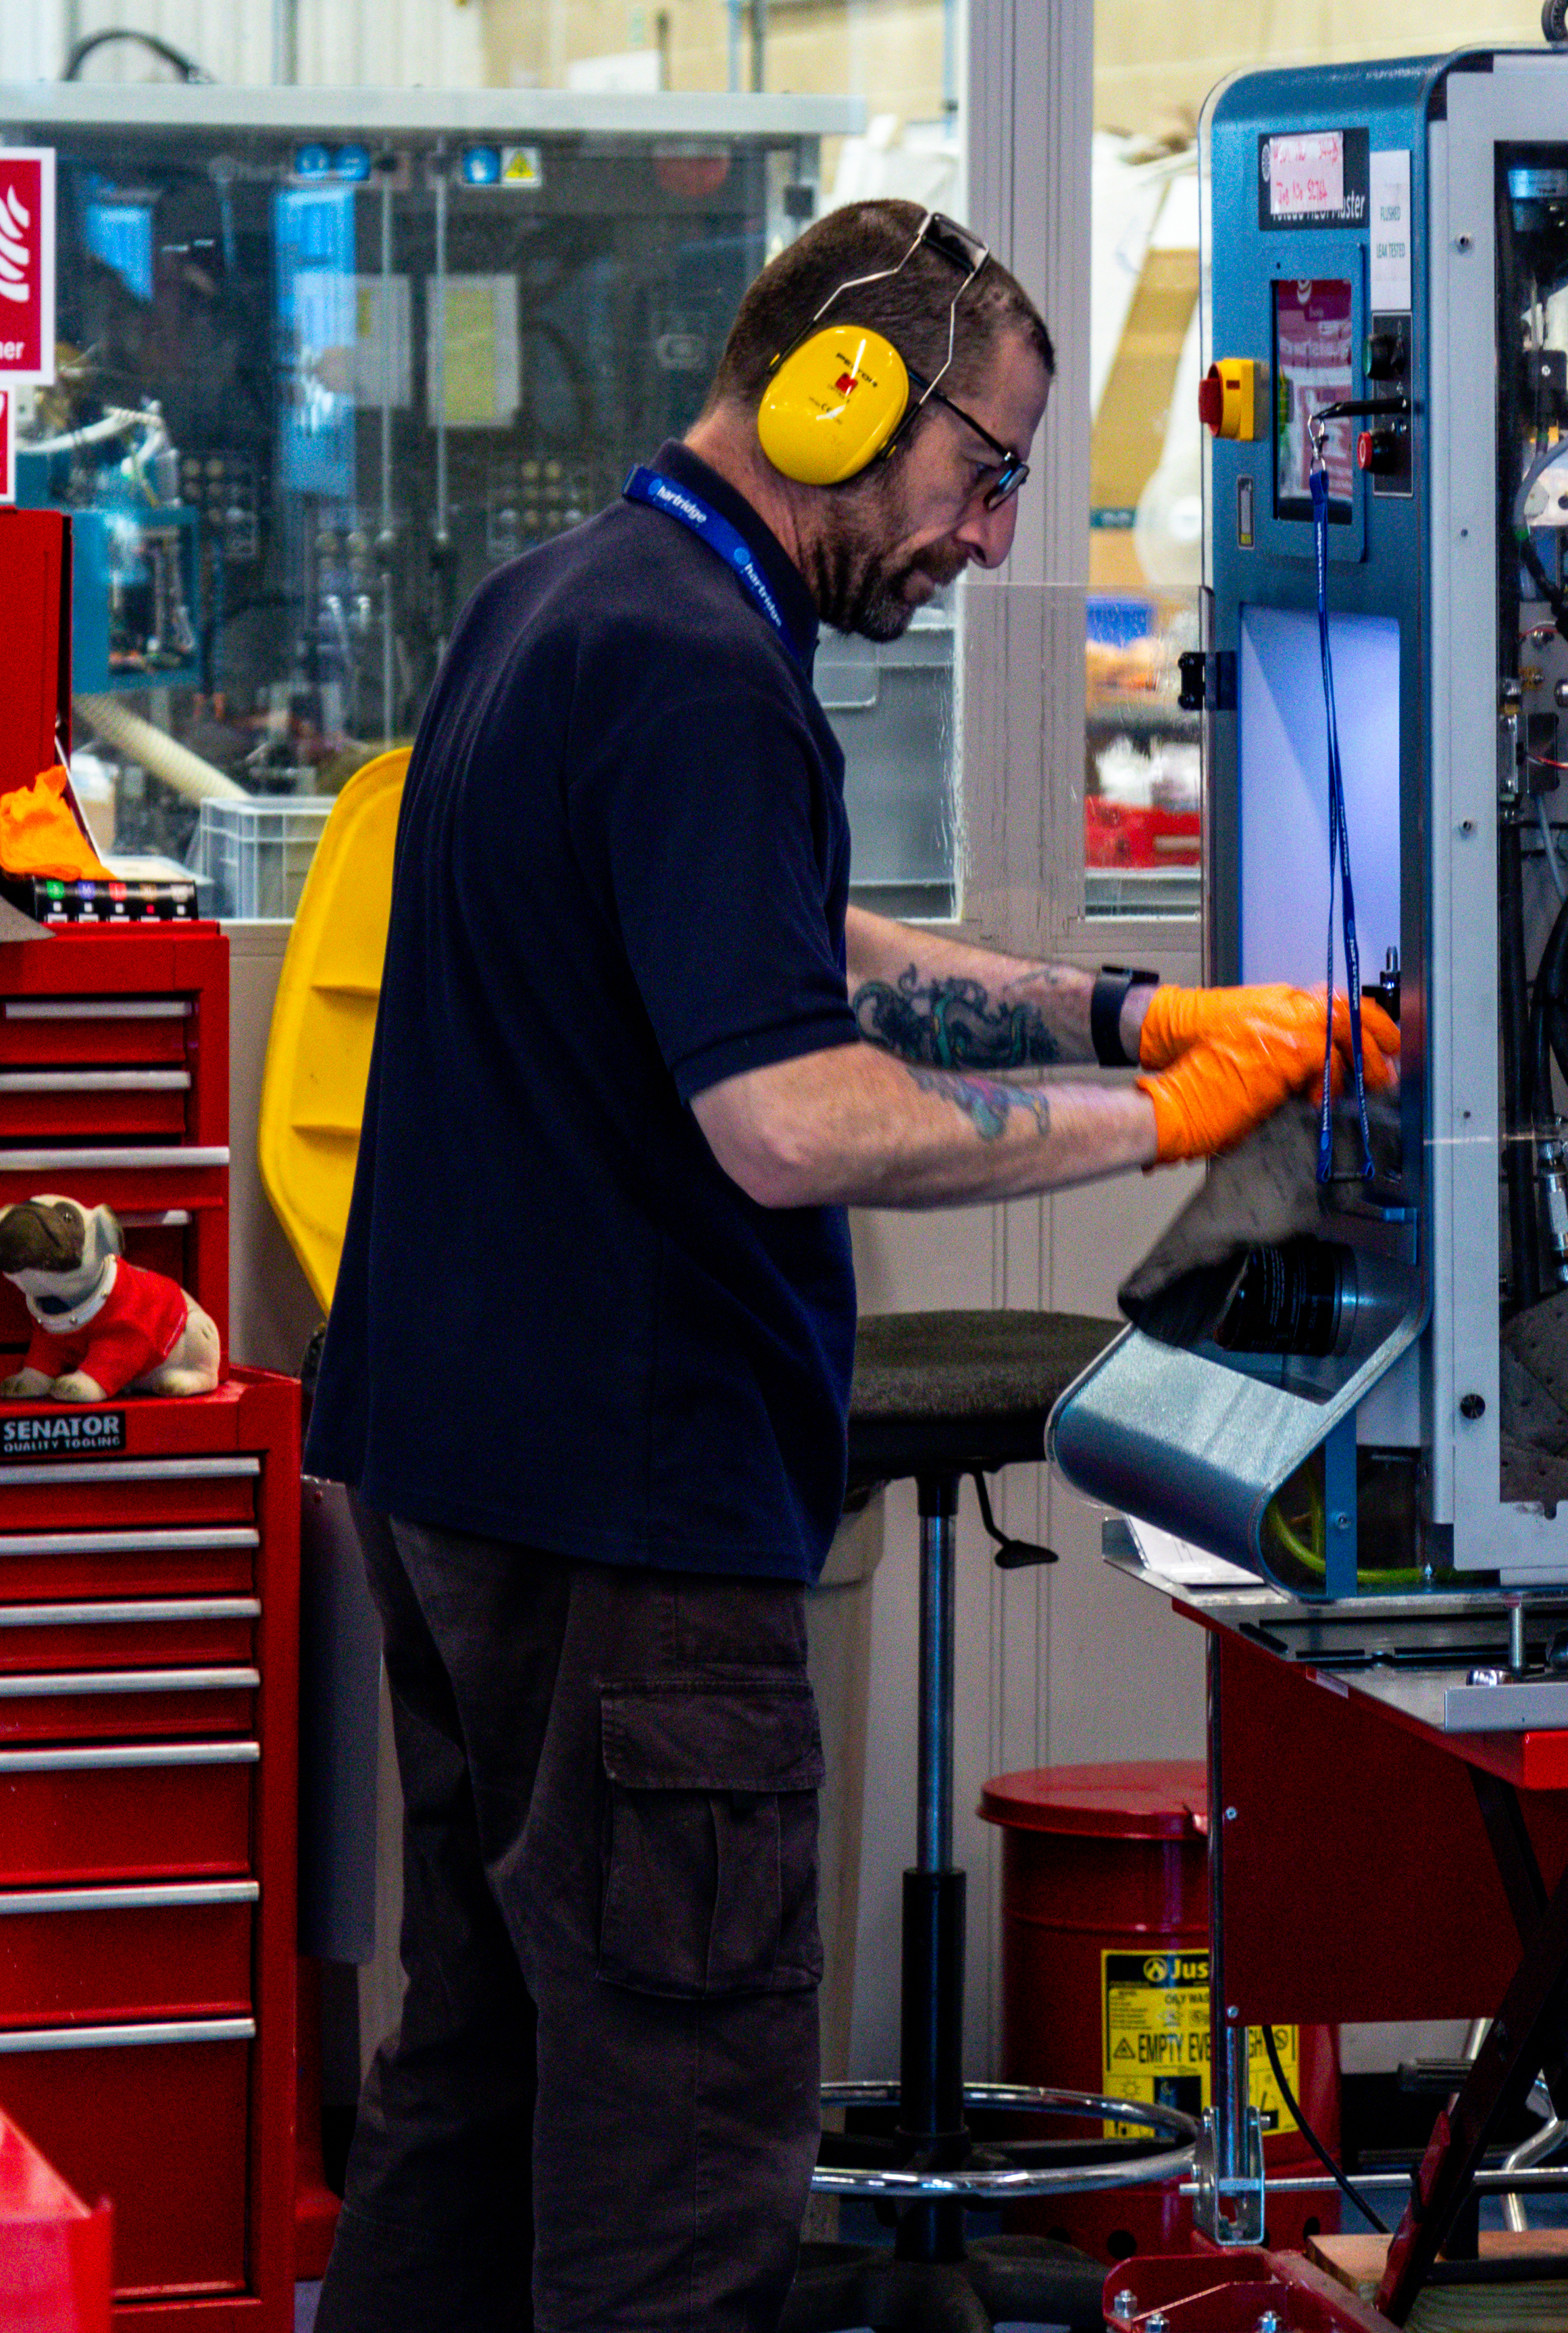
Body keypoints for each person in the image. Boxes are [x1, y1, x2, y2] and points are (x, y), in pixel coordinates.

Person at [306, 201, 1366, 2333]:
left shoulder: (567, 607)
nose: (988, 539)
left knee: (487, 2089)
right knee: (677, 2155)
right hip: (629, 1520)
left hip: (455, 1480)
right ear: (842, 395)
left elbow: (809, 956)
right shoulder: (704, 673)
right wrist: (1162, 1125)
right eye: (985, 474)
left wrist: (1122, 1016)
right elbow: (786, 1112)